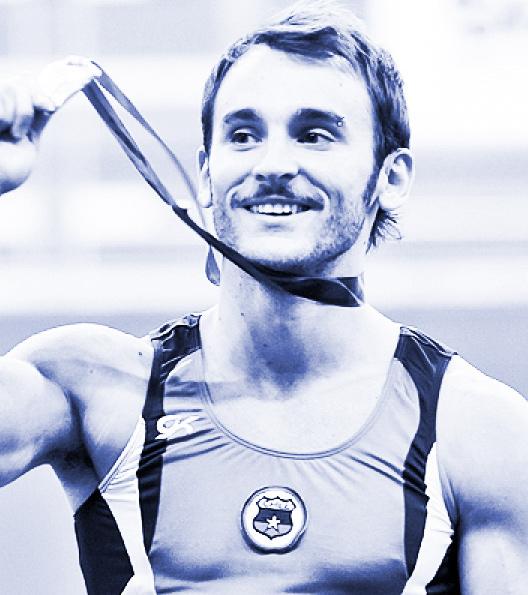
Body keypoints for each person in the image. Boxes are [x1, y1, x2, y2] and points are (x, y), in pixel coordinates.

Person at [1, 1, 527, 593]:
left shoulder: (480, 433)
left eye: (315, 135)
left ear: (392, 177)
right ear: (207, 172)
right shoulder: (93, 387)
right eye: (244, 135)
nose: (273, 164)